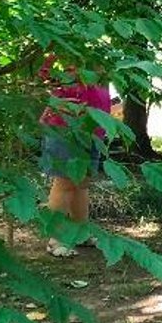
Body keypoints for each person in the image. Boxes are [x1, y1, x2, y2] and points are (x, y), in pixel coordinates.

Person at [39, 59, 112, 258]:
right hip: (65, 128)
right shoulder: (64, 48)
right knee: (64, 183)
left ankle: (81, 233)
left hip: (93, 129)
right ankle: (56, 239)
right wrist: (58, 102)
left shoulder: (98, 48)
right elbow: (43, 77)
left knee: (81, 183)